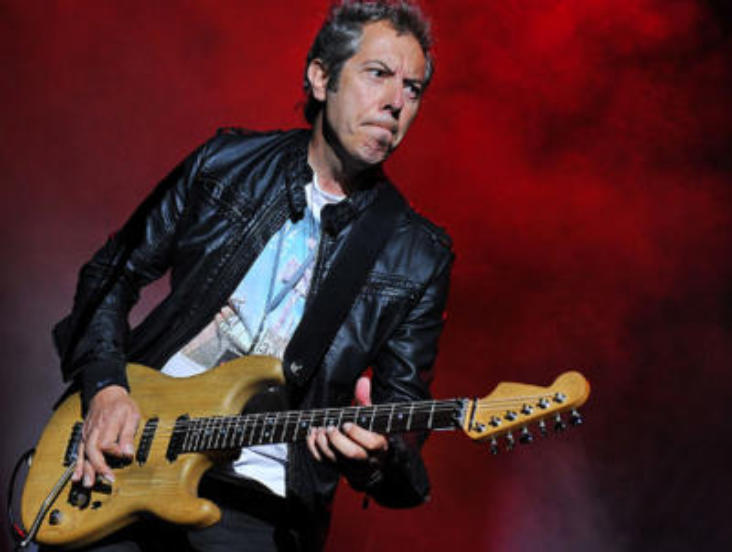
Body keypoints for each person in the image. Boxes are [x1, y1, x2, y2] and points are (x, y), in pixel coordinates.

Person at [50, 1, 452, 550]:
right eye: (378, 74)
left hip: (260, 500)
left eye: (413, 89)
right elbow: (110, 274)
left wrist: (379, 456)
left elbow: (402, 420)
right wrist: (106, 387)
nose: (395, 102)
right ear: (321, 77)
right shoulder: (225, 164)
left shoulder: (417, 255)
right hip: (133, 454)